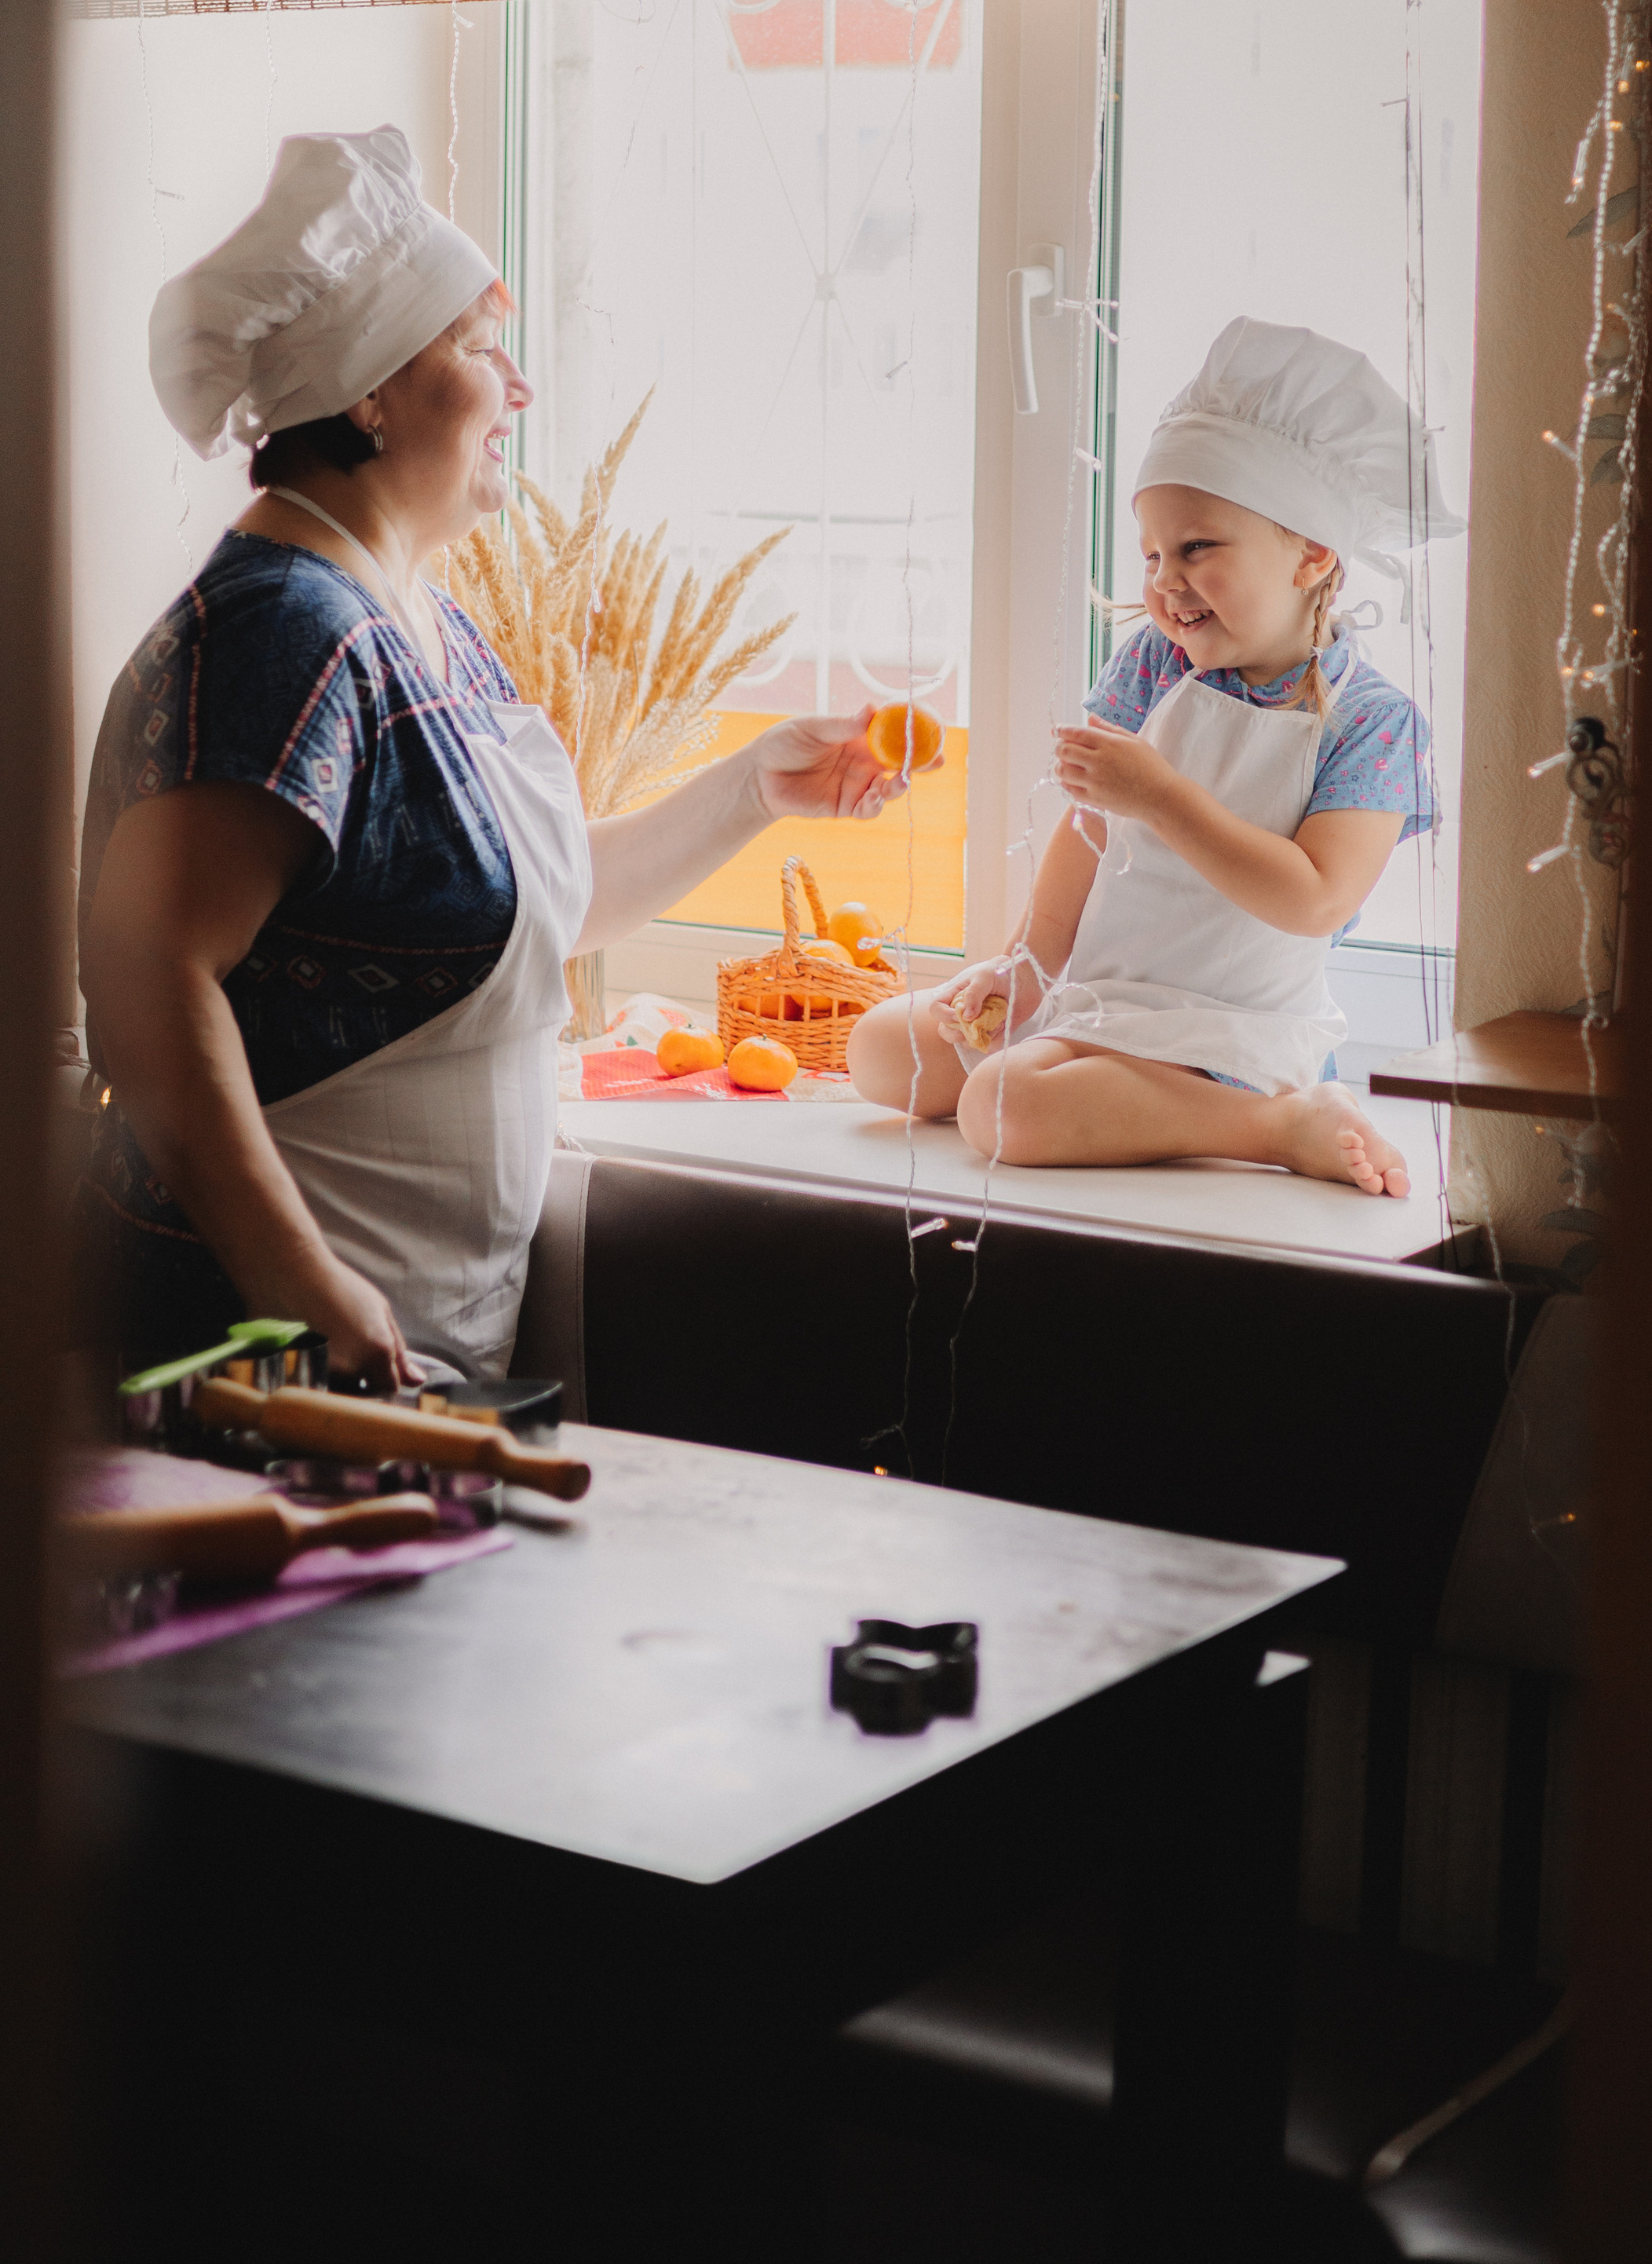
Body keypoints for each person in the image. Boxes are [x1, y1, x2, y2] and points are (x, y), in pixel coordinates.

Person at [78, 125, 905, 1387]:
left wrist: (755, 790)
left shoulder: (413, 614)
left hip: (402, 1352)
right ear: (369, 388)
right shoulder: (283, 631)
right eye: (477, 347)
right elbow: (144, 979)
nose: (517, 388)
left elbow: (518, 917)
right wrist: (305, 1285)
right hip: (256, 1359)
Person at [848, 317, 1457, 1193]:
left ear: (1311, 555)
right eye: (1152, 555)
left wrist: (1165, 797)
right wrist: (1023, 968)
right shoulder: (1154, 662)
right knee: (880, 1053)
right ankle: (1085, 1061)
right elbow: (1086, 830)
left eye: (1197, 548)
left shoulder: (1371, 720)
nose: (1165, 581)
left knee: (1000, 1108)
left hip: (1222, 1027)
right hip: (1100, 995)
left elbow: (1316, 900)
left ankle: (1275, 1122)